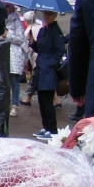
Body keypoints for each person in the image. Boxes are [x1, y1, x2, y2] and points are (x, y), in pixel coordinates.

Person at [29, 9, 66, 138]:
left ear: (55, 15)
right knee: (41, 101)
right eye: (45, 14)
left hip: (49, 71)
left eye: (49, 14)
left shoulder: (56, 31)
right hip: (40, 69)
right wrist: (33, 42)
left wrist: (51, 63)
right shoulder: (43, 30)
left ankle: (52, 129)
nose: (46, 16)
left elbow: (60, 50)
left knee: (48, 101)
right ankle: (46, 127)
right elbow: (40, 48)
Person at [2, 3, 27, 117]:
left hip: (14, 54)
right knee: (4, 80)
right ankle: (5, 104)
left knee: (14, 81)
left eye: (7, 6)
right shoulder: (3, 19)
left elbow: (20, 38)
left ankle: (15, 105)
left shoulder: (16, 20)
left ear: (11, 7)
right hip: (4, 53)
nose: (5, 8)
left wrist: (7, 36)